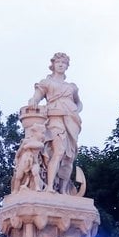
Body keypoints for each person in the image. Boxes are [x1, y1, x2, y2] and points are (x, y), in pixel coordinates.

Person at [27, 52, 83, 195]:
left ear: (67, 66)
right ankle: (51, 186)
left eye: (64, 63)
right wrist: (33, 101)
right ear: (53, 65)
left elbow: (78, 102)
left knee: (68, 157)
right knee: (58, 152)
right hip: (55, 119)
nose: (61, 65)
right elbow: (37, 97)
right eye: (58, 62)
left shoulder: (72, 87)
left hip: (72, 122)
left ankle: (63, 190)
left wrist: (75, 111)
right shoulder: (47, 82)